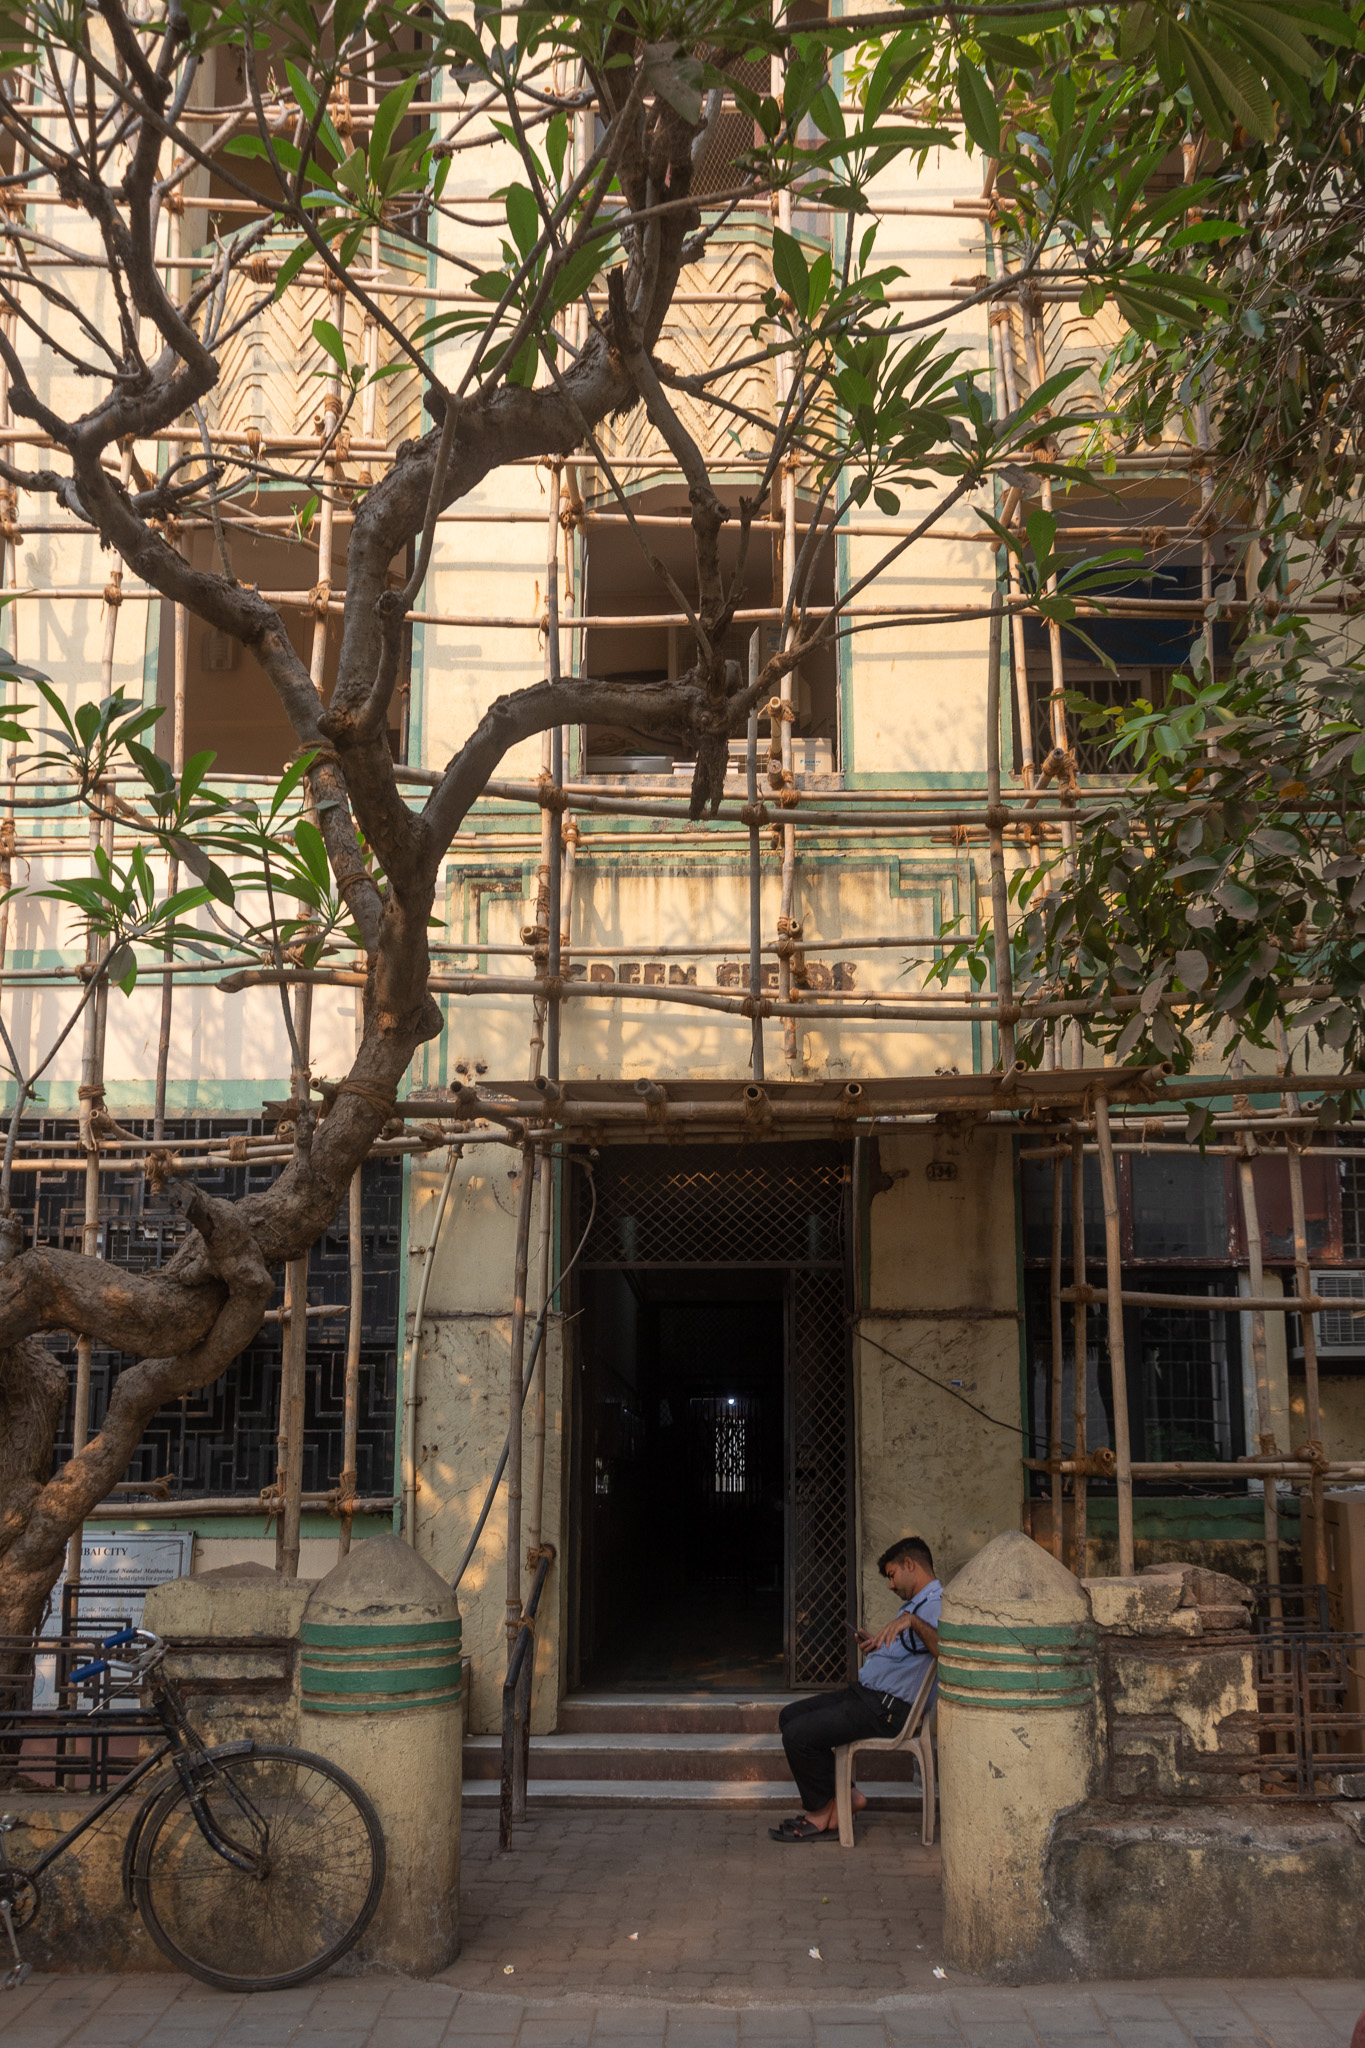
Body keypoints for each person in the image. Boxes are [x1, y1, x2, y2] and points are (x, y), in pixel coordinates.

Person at [769, 1534, 941, 1843]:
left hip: (888, 1710)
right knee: (789, 1716)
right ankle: (847, 1798)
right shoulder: (916, 1606)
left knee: (798, 1736)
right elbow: (910, 1653)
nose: (890, 1585)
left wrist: (913, 1622)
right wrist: (877, 1646)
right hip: (870, 1699)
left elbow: (945, 1648)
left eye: (892, 1575)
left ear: (909, 1564)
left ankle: (821, 1814)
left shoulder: (935, 1604)